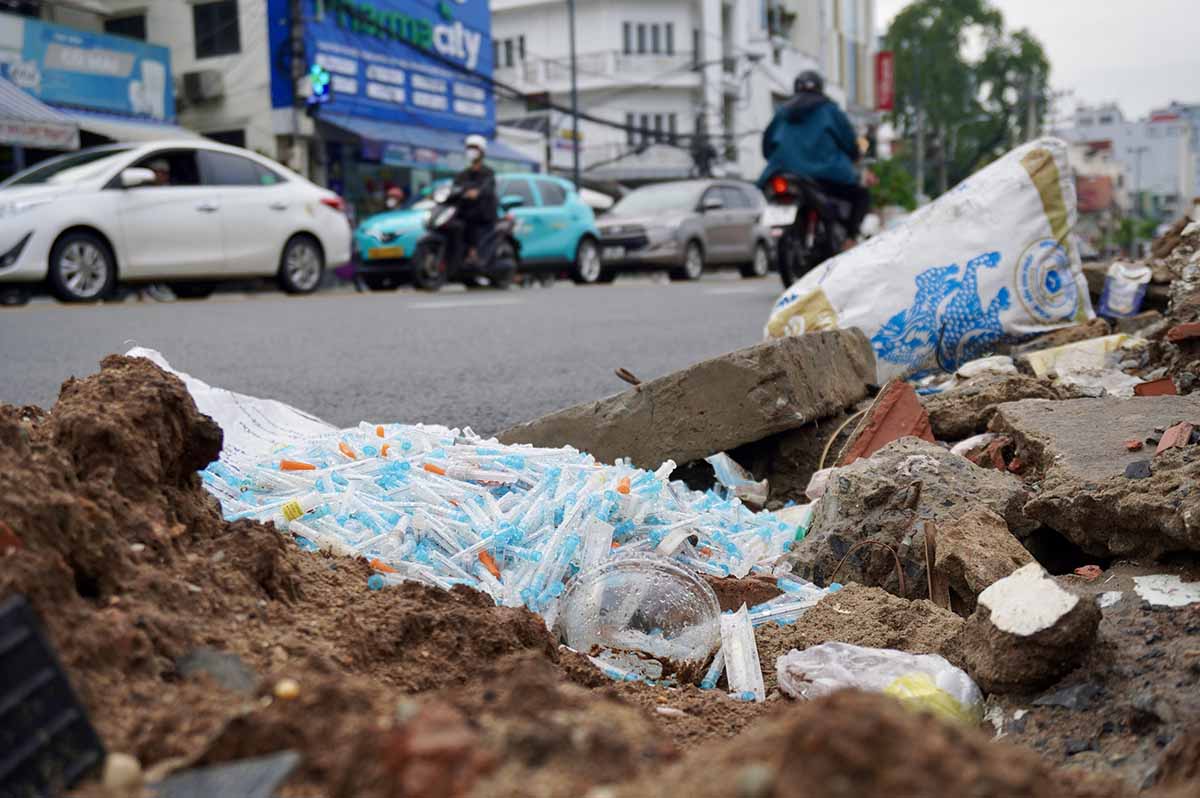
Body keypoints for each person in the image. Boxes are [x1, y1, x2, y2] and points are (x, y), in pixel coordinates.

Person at [758, 70, 870, 239]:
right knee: (861, 195)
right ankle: (850, 239)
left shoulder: (782, 112)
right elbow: (849, 143)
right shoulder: (830, 110)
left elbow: (767, 147)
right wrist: (854, 155)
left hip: (782, 173)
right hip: (825, 176)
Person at [447, 134, 497, 267]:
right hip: (465, 213)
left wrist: (477, 192)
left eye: (474, 148)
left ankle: (474, 254)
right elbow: (454, 188)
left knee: (474, 225)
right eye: (469, 148)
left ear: (482, 151)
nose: (471, 151)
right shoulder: (462, 174)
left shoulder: (488, 173)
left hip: (482, 215)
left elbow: (487, 188)